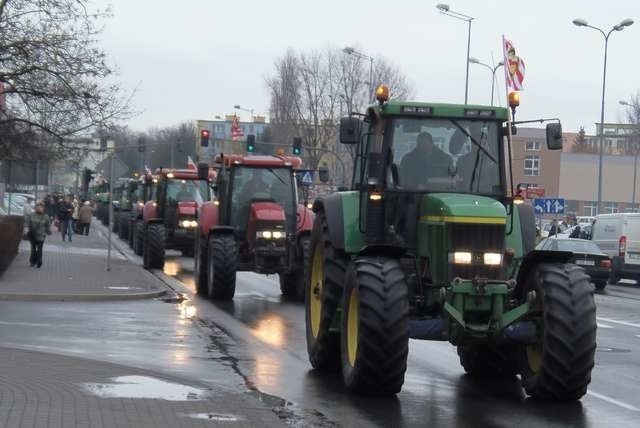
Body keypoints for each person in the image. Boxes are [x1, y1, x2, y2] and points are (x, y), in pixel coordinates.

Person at [27, 201, 51, 268]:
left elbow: (48, 226)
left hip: (40, 236)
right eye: (38, 206)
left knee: (38, 249)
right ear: (36, 207)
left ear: (43, 208)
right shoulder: (32, 215)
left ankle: (37, 261)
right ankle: (34, 261)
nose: (39, 208)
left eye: (41, 207)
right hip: (33, 235)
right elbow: (28, 223)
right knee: (34, 248)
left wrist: (48, 231)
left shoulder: (45, 216)